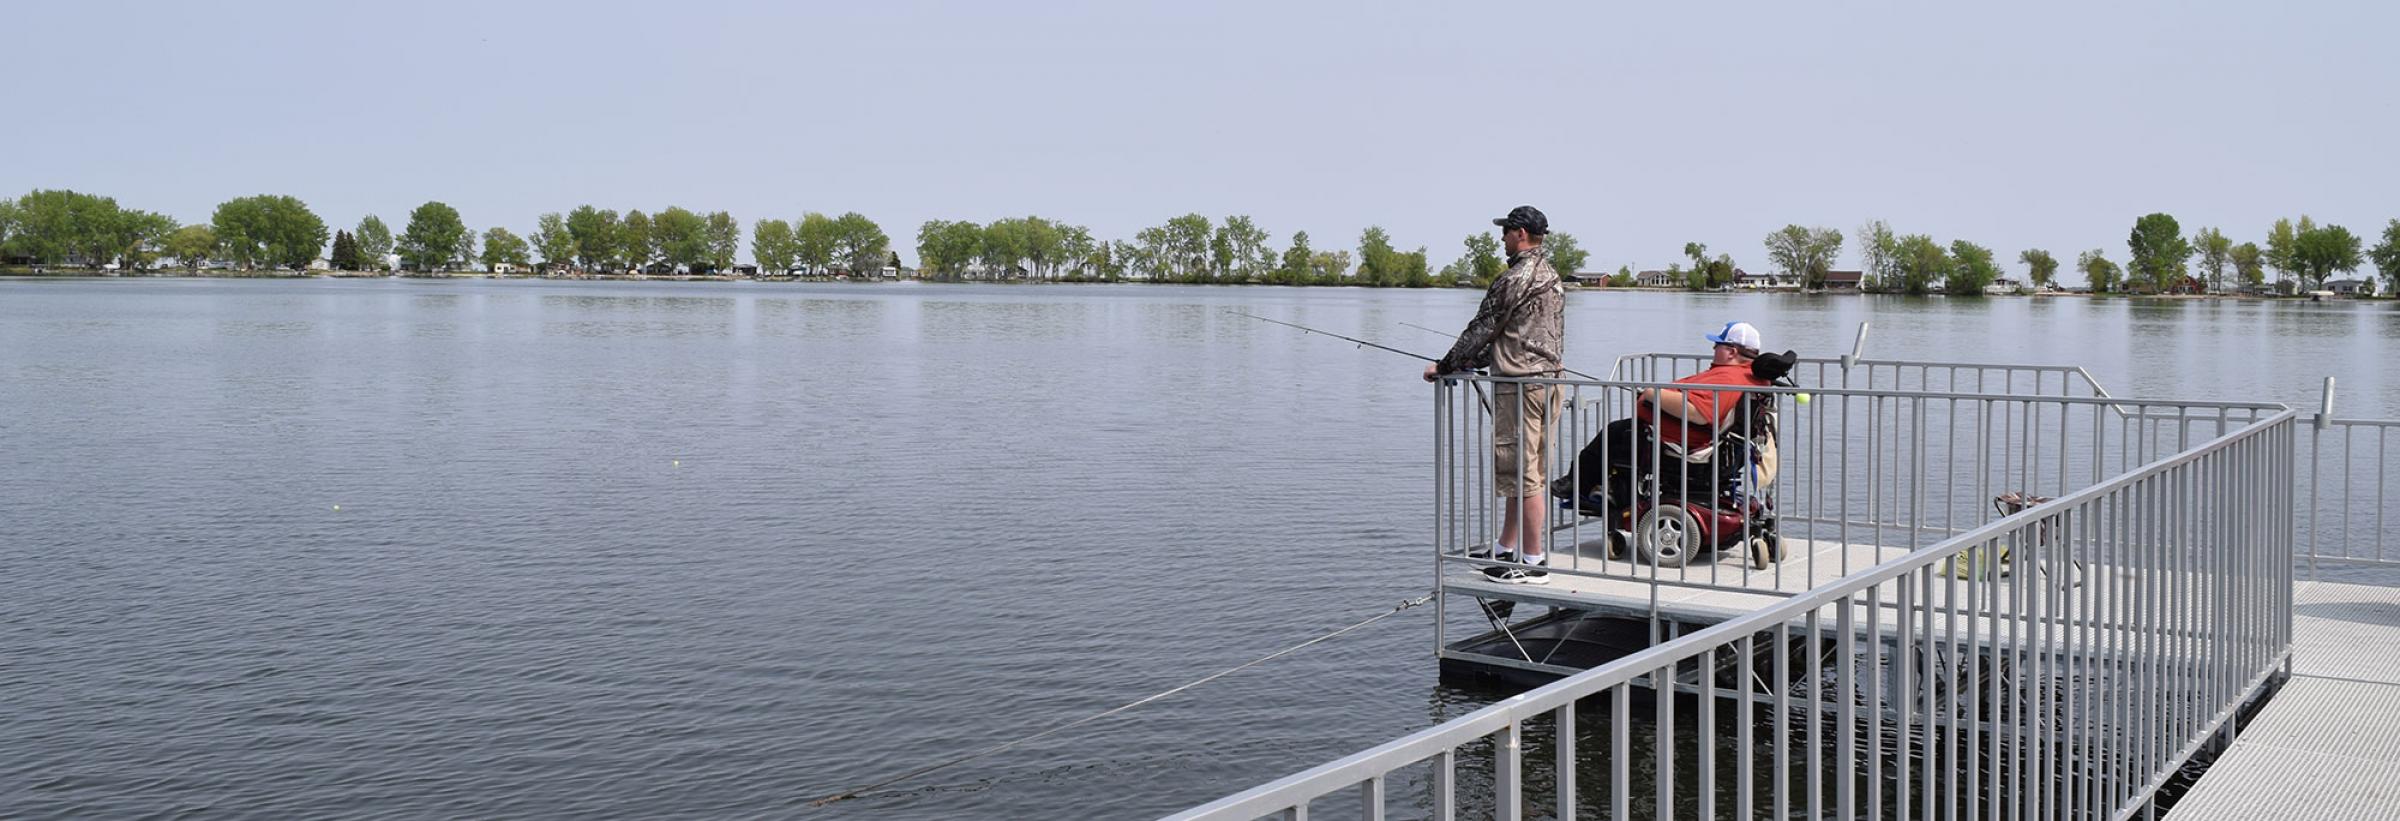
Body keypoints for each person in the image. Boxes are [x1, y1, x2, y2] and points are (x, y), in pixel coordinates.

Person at [1423, 205, 1565, 583]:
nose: (1502, 238)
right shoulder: (1552, 276)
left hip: (1520, 388)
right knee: (1526, 469)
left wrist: (1445, 364)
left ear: (1520, 234)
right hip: (1548, 383)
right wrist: (1476, 361)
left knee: (1524, 474)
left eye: (1505, 231)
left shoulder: (1514, 278)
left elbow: (1483, 327)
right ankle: (1505, 548)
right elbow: (1515, 334)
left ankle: (1532, 563)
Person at [1561, 321, 1775, 507]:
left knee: (1616, 432)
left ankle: (1577, 485)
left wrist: (1653, 394)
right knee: (1621, 431)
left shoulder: (1729, 379)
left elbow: (1699, 412)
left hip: (1683, 442)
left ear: (1731, 351)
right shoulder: (1749, 376)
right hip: (1700, 439)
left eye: (1717, 344)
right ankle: (1601, 488)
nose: (1713, 347)